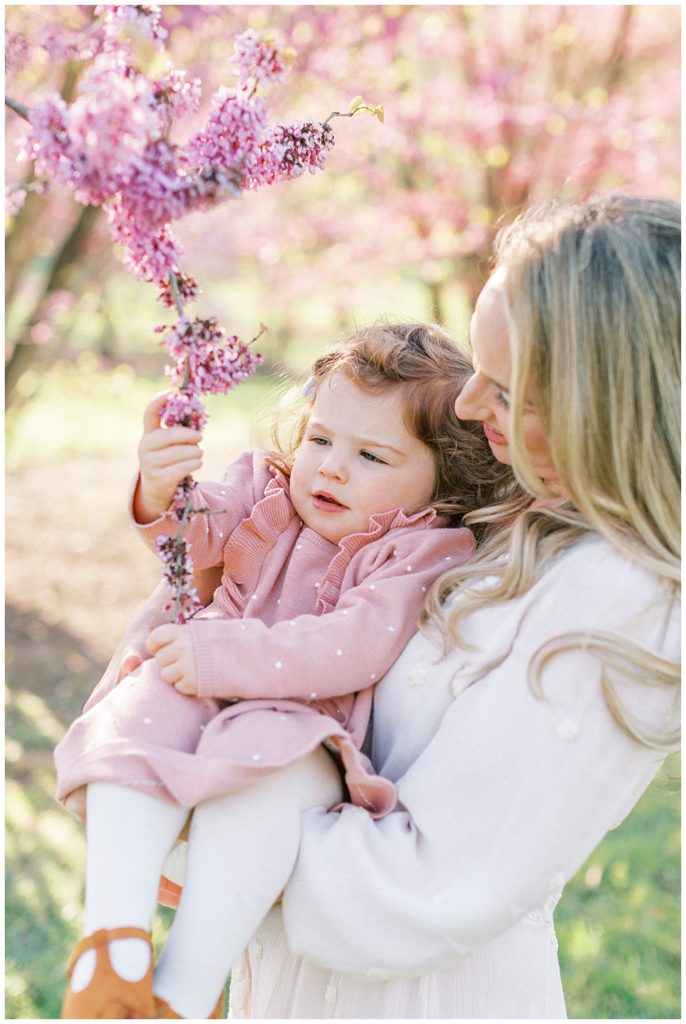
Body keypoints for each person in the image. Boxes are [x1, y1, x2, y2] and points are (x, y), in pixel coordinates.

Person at [217, 194, 679, 1019]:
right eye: (477, 371)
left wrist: (204, 819)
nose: (466, 409)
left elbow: (423, 890)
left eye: (505, 392)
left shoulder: (624, 603)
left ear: (604, 407)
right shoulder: (516, 519)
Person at [54, 321, 511, 1019]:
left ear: (439, 475)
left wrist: (221, 656)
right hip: (200, 683)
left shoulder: (420, 546)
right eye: (322, 438)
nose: (330, 467)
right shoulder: (264, 485)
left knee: (258, 771)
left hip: (299, 726)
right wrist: (162, 485)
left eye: (371, 456)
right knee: (132, 710)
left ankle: (185, 989)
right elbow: (193, 533)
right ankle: (112, 945)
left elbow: (353, 644)